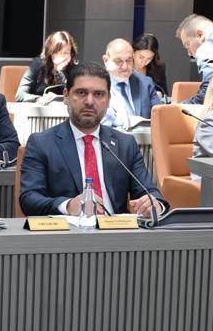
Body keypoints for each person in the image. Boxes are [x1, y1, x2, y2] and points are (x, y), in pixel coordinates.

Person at [19, 61, 166, 219]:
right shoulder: (42, 143)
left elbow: (149, 191)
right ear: (66, 96)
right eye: (81, 93)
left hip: (116, 231)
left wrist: (155, 203)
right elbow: (29, 199)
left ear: (108, 100)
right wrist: (67, 205)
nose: (89, 101)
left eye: (99, 94)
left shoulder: (125, 144)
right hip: (67, 231)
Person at [101, 38, 161, 127]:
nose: (125, 66)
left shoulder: (145, 83)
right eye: (118, 61)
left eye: (129, 60)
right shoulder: (95, 85)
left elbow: (161, 117)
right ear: (106, 60)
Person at [15, 30, 77, 103]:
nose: (62, 56)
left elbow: (73, 96)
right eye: (58, 52)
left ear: (71, 54)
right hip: (38, 108)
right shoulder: (38, 64)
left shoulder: (74, 69)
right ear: (50, 52)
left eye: (66, 53)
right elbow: (20, 95)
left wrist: (60, 72)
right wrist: (39, 99)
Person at [176, 14, 213, 105]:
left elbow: (208, 91)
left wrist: (179, 107)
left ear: (200, 35)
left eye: (187, 45)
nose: (189, 53)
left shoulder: (206, 49)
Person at [132, 33, 168, 98]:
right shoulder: (125, 67)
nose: (144, 62)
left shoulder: (159, 69)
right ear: (133, 53)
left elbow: (165, 94)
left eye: (149, 58)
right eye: (141, 57)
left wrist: (160, 95)